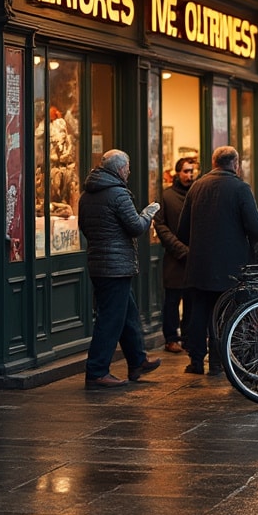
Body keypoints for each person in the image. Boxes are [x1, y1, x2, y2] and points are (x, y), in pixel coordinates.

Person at [77, 149, 163, 389]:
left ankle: (137, 360)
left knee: (127, 314)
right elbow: (136, 227)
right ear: (119, 169)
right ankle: (96, 371)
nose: (129, 171)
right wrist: (149, 212)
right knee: (110, 320)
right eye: (127, 167)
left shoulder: (86, 195)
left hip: (99, 263)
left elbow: (84, 227)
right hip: (115, 266)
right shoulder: (118, 194)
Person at [176, 146, 258, 374]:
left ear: (214, 163)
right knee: (225, 313)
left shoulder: (197, 187)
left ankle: (195, 360)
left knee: (199, 313)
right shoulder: (240, 188)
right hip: (230, 265)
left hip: (199, 264)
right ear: (235, 164)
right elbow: (256, 228)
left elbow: (182, 231)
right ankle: (217, 361)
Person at [153, 156, 197, 354]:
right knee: (172, 300)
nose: (190, 175)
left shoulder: (198, 194)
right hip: (174, 257)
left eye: (192, 171)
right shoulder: (167, 196)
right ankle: (171, 338)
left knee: (192, 300)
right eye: (186, 171)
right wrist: (179, 248)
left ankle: (189, 337)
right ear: (178, 173)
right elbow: (161, 225)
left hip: (195, 256)